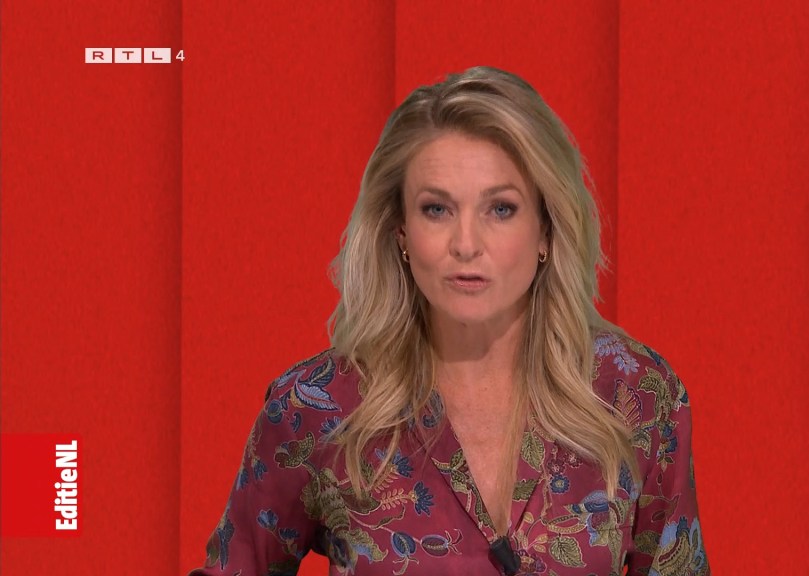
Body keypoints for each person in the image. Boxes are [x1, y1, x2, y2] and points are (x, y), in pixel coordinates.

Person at [189, 66, 710, 576]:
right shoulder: (317, 409)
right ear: (400, 232)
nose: (465, 244)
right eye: (437, 209)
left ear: (546, 230)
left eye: (500, 209)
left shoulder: (638, 397)